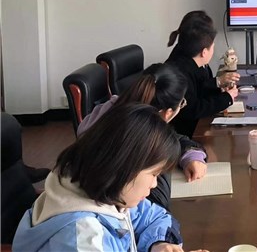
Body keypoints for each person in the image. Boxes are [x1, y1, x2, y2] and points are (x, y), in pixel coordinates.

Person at [13, 104, 209, 252]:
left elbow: (155, 216)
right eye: (154, 174)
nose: (155, 184)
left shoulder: (105, 190)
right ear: (124, 166)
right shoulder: (83, 239)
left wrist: (159, 244)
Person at [77, 63, 208, 210]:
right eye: (182, 103)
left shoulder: (114, 112)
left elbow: (174, 138)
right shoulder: (137, 146)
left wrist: (190, 153)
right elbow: (157, 205)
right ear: (168, 113)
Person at [166, 14, 239, 137]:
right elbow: (192, 109)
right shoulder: (179, 72)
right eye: (212, 46)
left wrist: (218, 85)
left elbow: (199, 87)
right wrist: (227, 98)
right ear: (204, 52)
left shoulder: (189, 54)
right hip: (187, 134)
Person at [167, 10, 240, 88]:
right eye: (212, 45)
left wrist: (218, 82)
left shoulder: (187, 49)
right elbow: (197, 94)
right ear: (204, 52)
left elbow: (202, 86)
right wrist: (226, 94)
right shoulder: (180, 77)